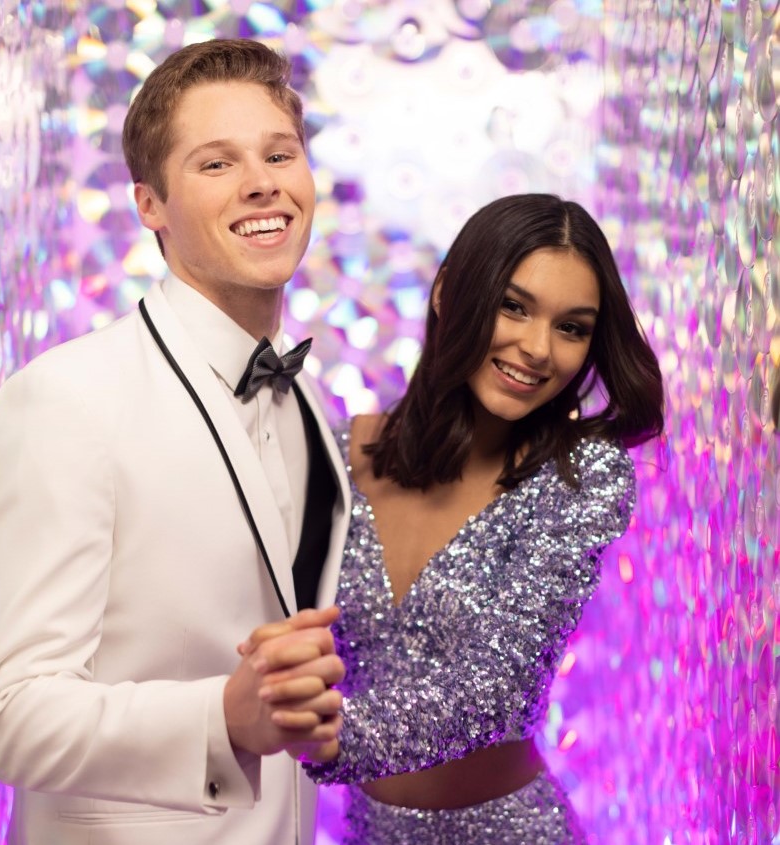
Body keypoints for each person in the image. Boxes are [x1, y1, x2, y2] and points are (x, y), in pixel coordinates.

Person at [0, 38, 352, 845]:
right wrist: (222, 714)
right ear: (149, 205)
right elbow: (12, 716)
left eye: (279, 153)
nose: (262, 182)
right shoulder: (67, 398)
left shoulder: (308, 399)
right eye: (215, 164)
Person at [242, 193, 665, 843]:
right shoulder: (329, 453)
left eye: (571, 327)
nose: (536, 348)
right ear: (446, 293)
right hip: (366, 831)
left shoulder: (581, 475)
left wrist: (326, 738)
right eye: (513, 306)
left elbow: (498, 689)